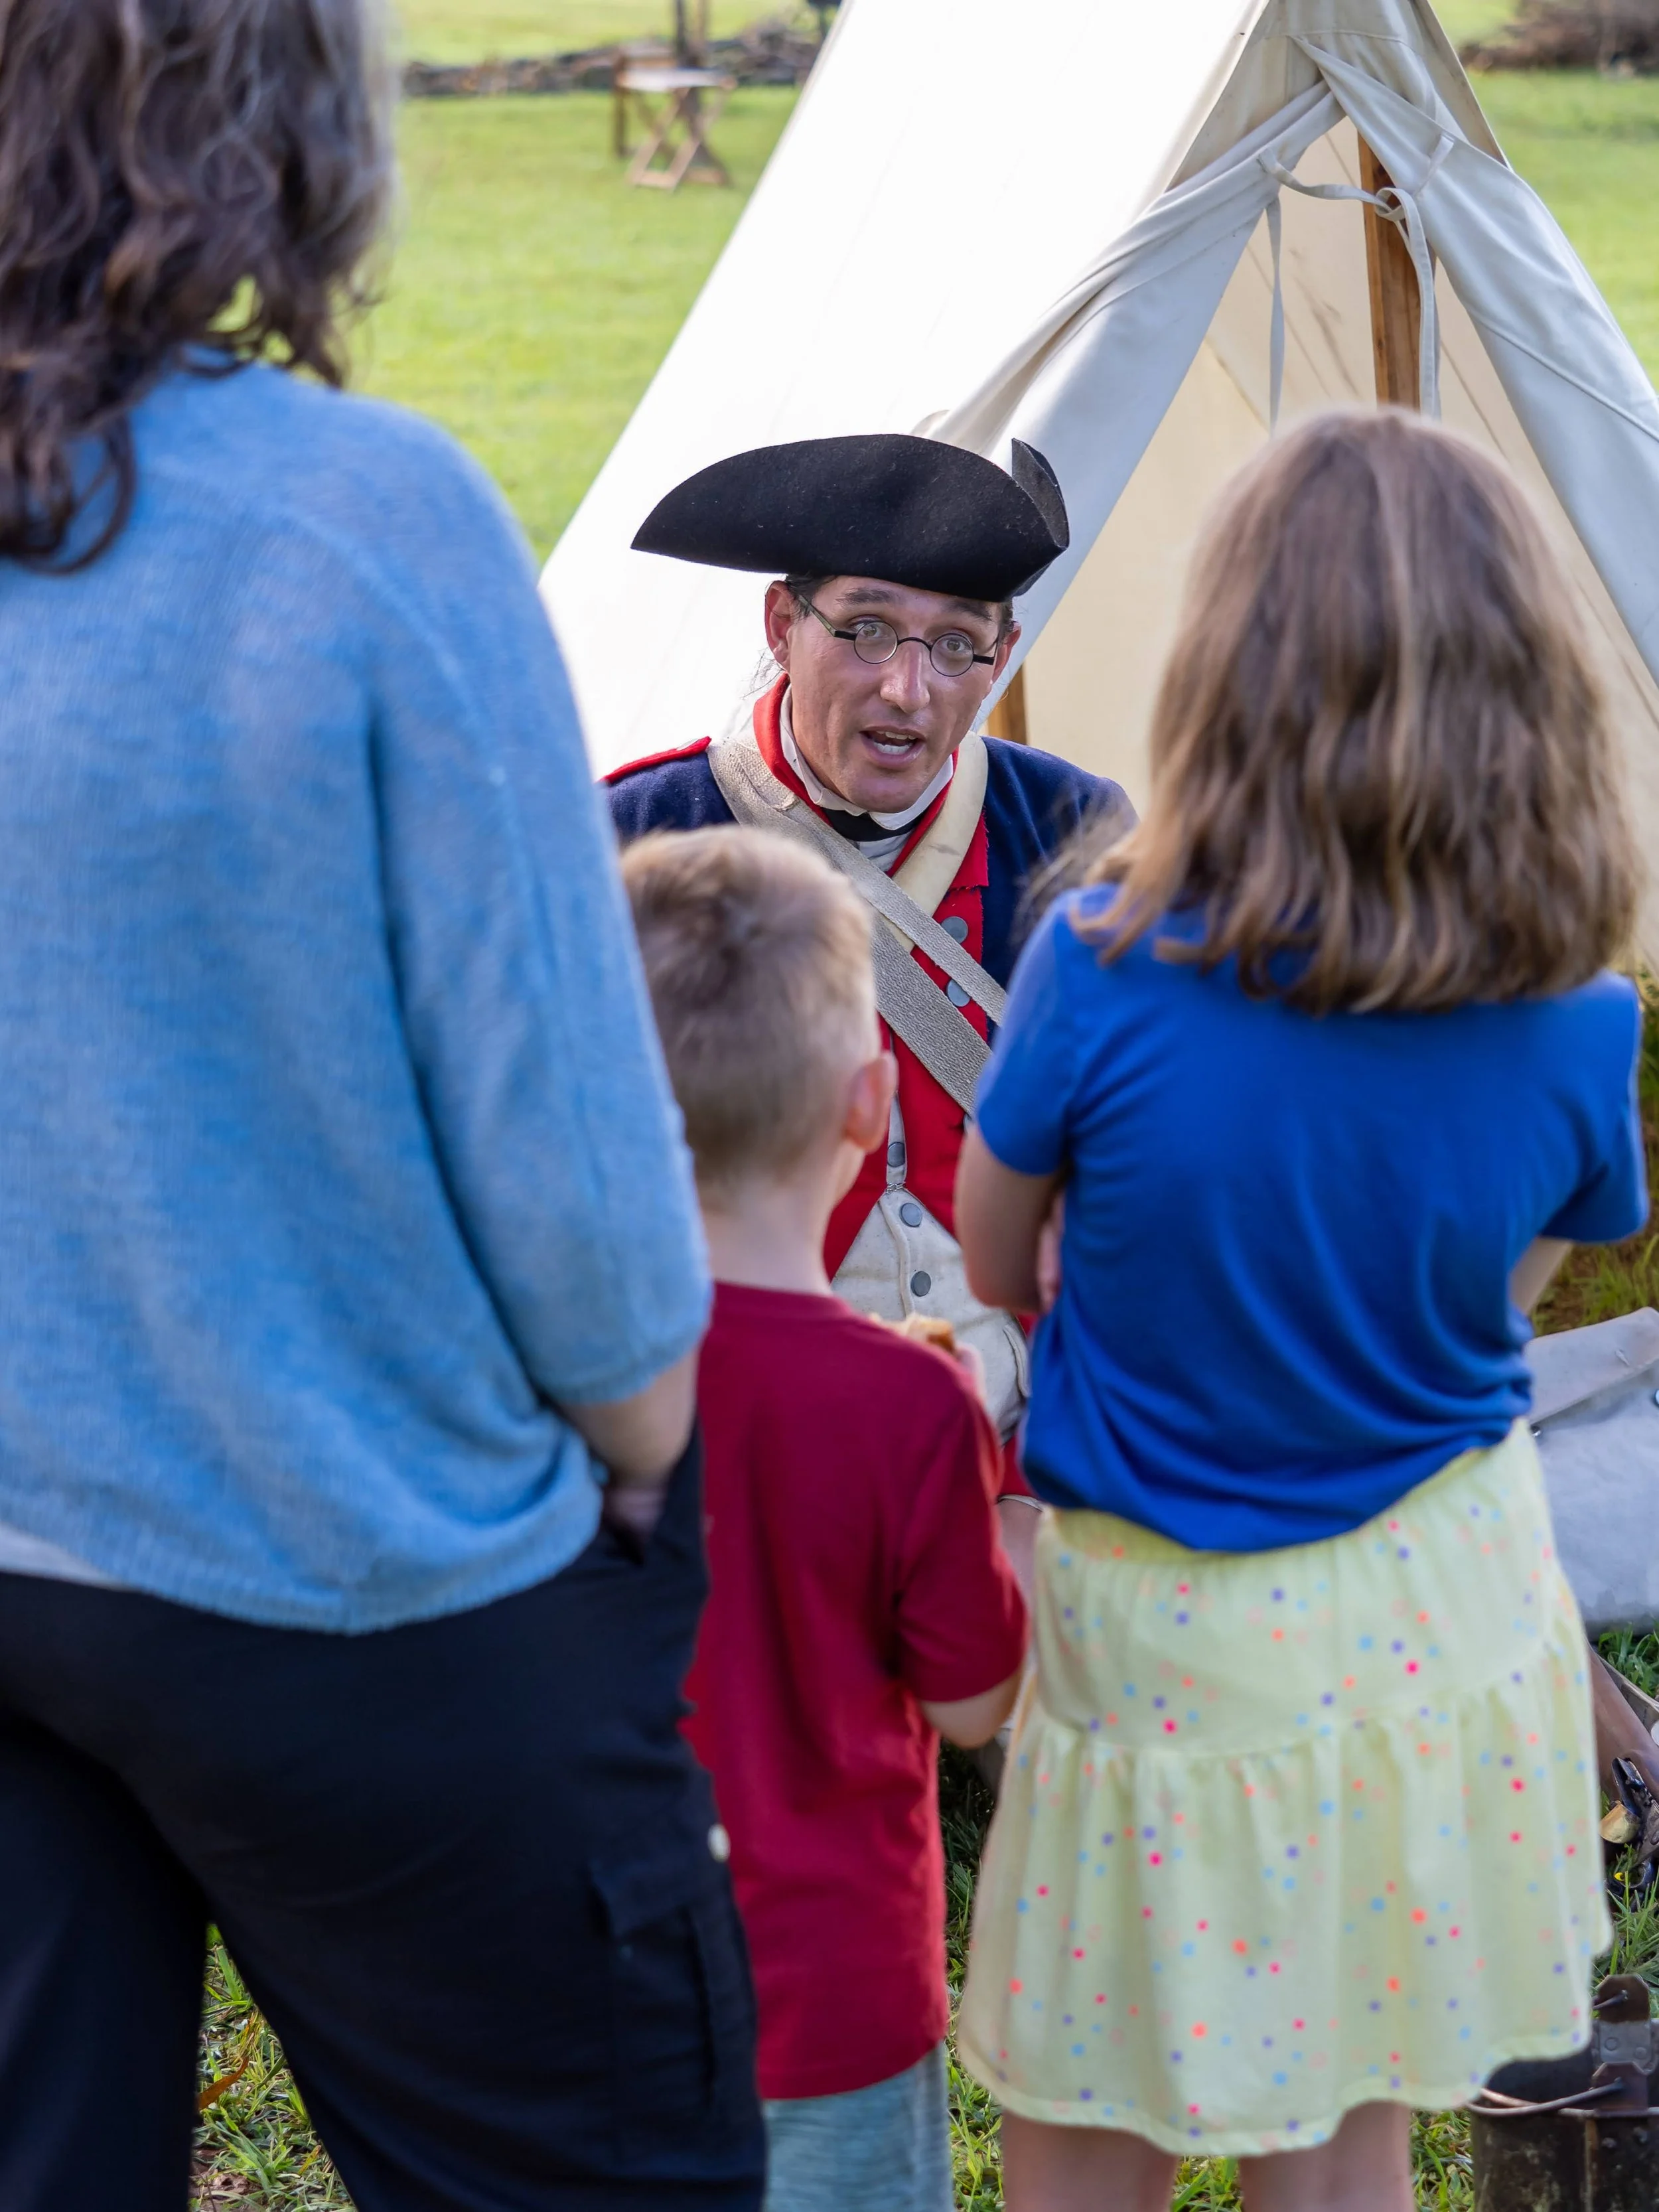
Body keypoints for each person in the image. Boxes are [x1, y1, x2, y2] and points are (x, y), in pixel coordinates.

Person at [0, 4, 762, 2207]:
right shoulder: (361, 523)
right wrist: (639, 1462)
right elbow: (590, 1212)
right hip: (360, 1577)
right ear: (292, 129)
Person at [951, 410, 1646, 2212]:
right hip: (1437, 1595)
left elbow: (989, 1252)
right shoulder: (1575, 1010)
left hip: (1166, 1626)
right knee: (1339, 2132)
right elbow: (1506, 1293)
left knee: (1089, 2109)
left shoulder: (1091, 962)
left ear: (1218, 675)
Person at [607, 433, 1132, 1591]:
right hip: (751, 1416)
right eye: (864, 629)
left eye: (956, 644)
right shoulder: (634, 837)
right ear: (779, 627)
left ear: (1002, 658)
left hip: (1026, 1420)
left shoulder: (1079, 833)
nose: (909, 689)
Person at [622, 826, 1029, 2212]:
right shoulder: (909, 1408)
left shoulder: (551, 1385)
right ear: (870, 1103)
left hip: (594, 1982)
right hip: (839, 1998)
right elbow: (977, 1702)